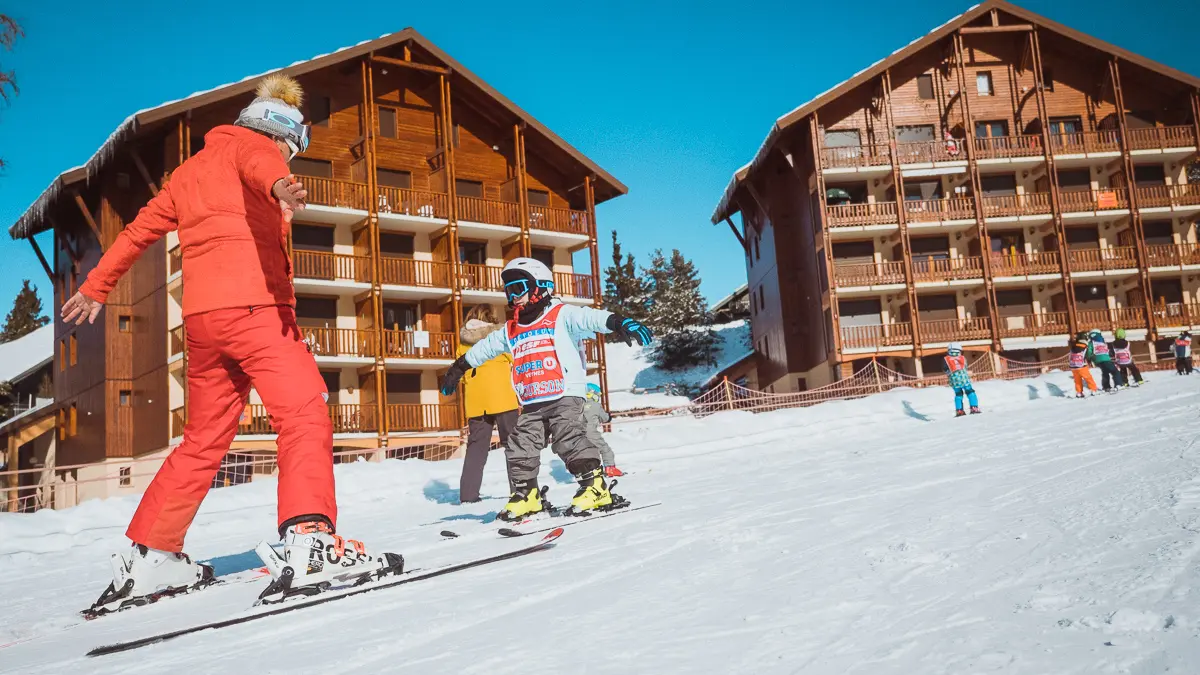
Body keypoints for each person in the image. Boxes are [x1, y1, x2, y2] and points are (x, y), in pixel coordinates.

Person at [65, 75, 400, 614]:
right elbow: (260, 166)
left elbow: (135, 233)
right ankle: (311, 539)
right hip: (256, 312)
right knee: (304, 413)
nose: (287, 159)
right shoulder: (256, 149)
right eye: (292, 149)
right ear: (282, 133)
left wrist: (95, 287)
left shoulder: (187, 173)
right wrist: (279, 186)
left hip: (203, 323)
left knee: (203, 439)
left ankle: (153, 553)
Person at [440, 257, 652, 521]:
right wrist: (458, 368)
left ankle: (595, 487)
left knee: (568, 438)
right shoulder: (512, 328)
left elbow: (590, 317)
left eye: (518, 288)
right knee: (519, 445)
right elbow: (486, 347)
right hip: (532, 401)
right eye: (508, 291)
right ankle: (527, 495)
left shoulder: (561, 314)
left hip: (564, 393)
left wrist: (619, 322)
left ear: (541, 286)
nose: (513, 296)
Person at [456, 304, 520, 503]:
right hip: (502, 397)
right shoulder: (498, 336)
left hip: (476, 401)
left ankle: (468, 495)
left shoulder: (463, 342)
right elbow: (515, 359)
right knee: (513, 445)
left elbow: (461, 373)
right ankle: (520, 490)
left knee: (476, 448)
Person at [584, 383, 622, 476]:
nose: (598, 397)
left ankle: (588, 471)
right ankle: (610, 468)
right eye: (597, 395)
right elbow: (604, 418)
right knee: (605, 449)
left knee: (587, 452)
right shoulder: (596, 405)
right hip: (591, 433)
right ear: (592, 394)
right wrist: (608, 416)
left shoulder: (579, 404)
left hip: (578, 433)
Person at [942, 342, 980, 416]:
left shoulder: (946, 359)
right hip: (964, 378)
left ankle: (959, 410)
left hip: (954, 380)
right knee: (970, 392)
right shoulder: (962, 358)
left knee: (958, 394)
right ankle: (974, 407)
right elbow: (965, 366)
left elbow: (944, 369)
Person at [1069, 331, 1099, 398]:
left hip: (1073, 366)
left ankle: (1079, 392)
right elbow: (1088, 355)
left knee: (1077, 380)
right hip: (1081, 365)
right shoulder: (1085, 345)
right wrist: (1091, 360)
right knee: (1088, 378)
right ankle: (1093, 390)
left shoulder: (1073, 346)